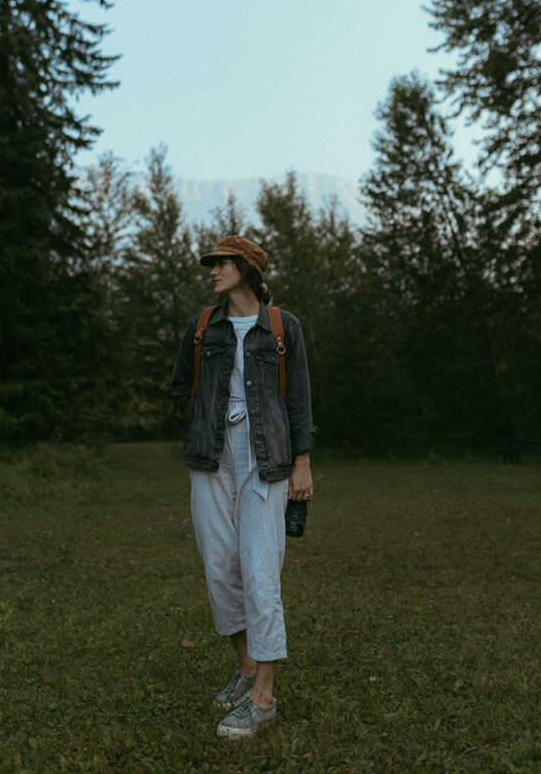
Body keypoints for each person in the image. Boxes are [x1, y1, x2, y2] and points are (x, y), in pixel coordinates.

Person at [170, 235, 317, 739]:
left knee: (259, 570)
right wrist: (205, 421)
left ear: (248, 270)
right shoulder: (200, 327)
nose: (212, 271)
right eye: (211, 263)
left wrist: (302, 462)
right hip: (210, 460)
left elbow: (298, 397)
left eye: (222, 263)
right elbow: (178, 389)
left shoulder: (282, 327)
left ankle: (264, 698)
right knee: (220, 570)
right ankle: (248, 666)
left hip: (266, 461)